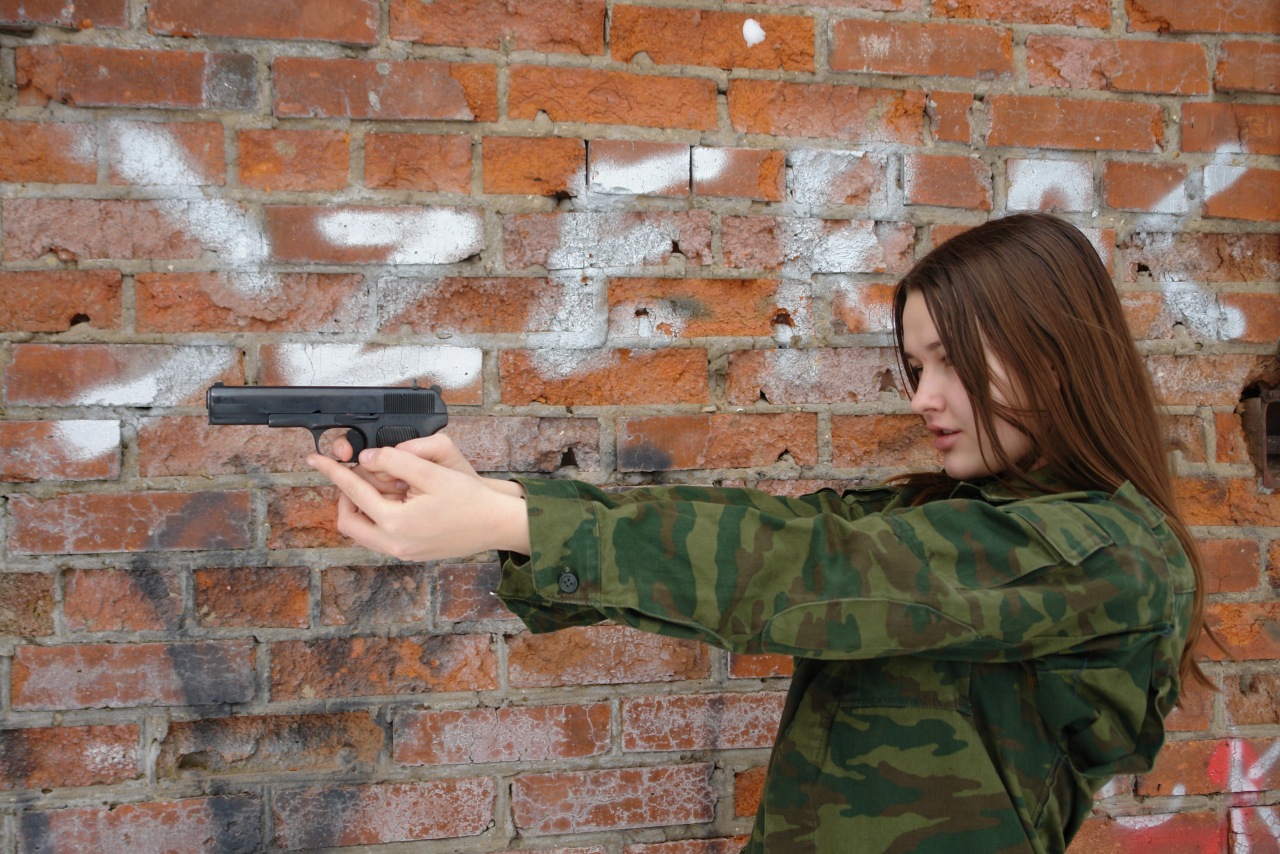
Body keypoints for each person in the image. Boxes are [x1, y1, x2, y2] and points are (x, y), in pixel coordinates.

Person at [308, 212, 1206, 853]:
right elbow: (765, 536)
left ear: (1054, 354)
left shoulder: (1113, 558)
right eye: (915, 365)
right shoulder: (957, 518)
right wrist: (496, 504)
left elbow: (814, 573)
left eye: (952, 363)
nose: (923, 398)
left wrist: (512, 518)